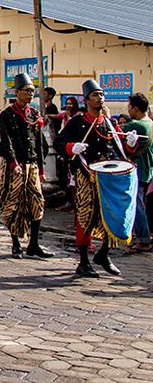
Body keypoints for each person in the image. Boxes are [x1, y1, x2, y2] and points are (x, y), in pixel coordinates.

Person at [55, 79, 131, 277]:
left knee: (110, 214)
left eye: (102, 94)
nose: (100, 98)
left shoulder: (108, 123)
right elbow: (59, 143)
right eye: (96, 95)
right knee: (85, 216)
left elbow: (120, 148)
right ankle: (83, 261)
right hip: (85, 176)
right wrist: (72, 147)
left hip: (106, 178)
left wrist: (130, 141)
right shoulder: (77, 122)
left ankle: (104, 253)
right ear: (87, 99)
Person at [0, 73, 54, 259]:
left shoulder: (34, 114)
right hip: (15, 165)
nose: (30, 94)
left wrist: (41, 168)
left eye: (32, 91)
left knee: (37, 201)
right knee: (14, 203)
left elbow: (39, 142)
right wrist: (13, 163)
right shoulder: (7, 115)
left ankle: (34, 243)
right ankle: (15, 243)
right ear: (17, 92)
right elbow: (7, 141)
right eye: (27, 91)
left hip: (32, 164)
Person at [122, 93, 153, 253]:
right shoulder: (150, 123)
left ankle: (143, 238)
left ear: (135, 108)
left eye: (129, 107)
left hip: (138, 170)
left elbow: (118, 132)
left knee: (137, 206)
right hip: (147, 170)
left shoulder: (138, 125)